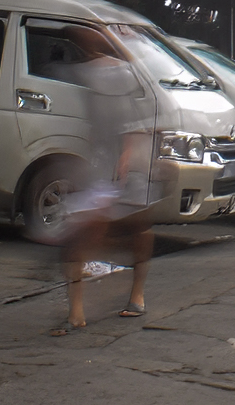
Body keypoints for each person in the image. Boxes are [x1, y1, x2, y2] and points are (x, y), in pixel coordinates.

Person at [46, 26, 157, 336]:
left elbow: (137, 122)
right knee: (86, 235)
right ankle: (79, 311)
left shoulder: (120, 73)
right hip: (98, 165)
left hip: (125, 165)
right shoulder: (88, 73)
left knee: (136, 230)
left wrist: (128, 155)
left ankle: (132, 296)